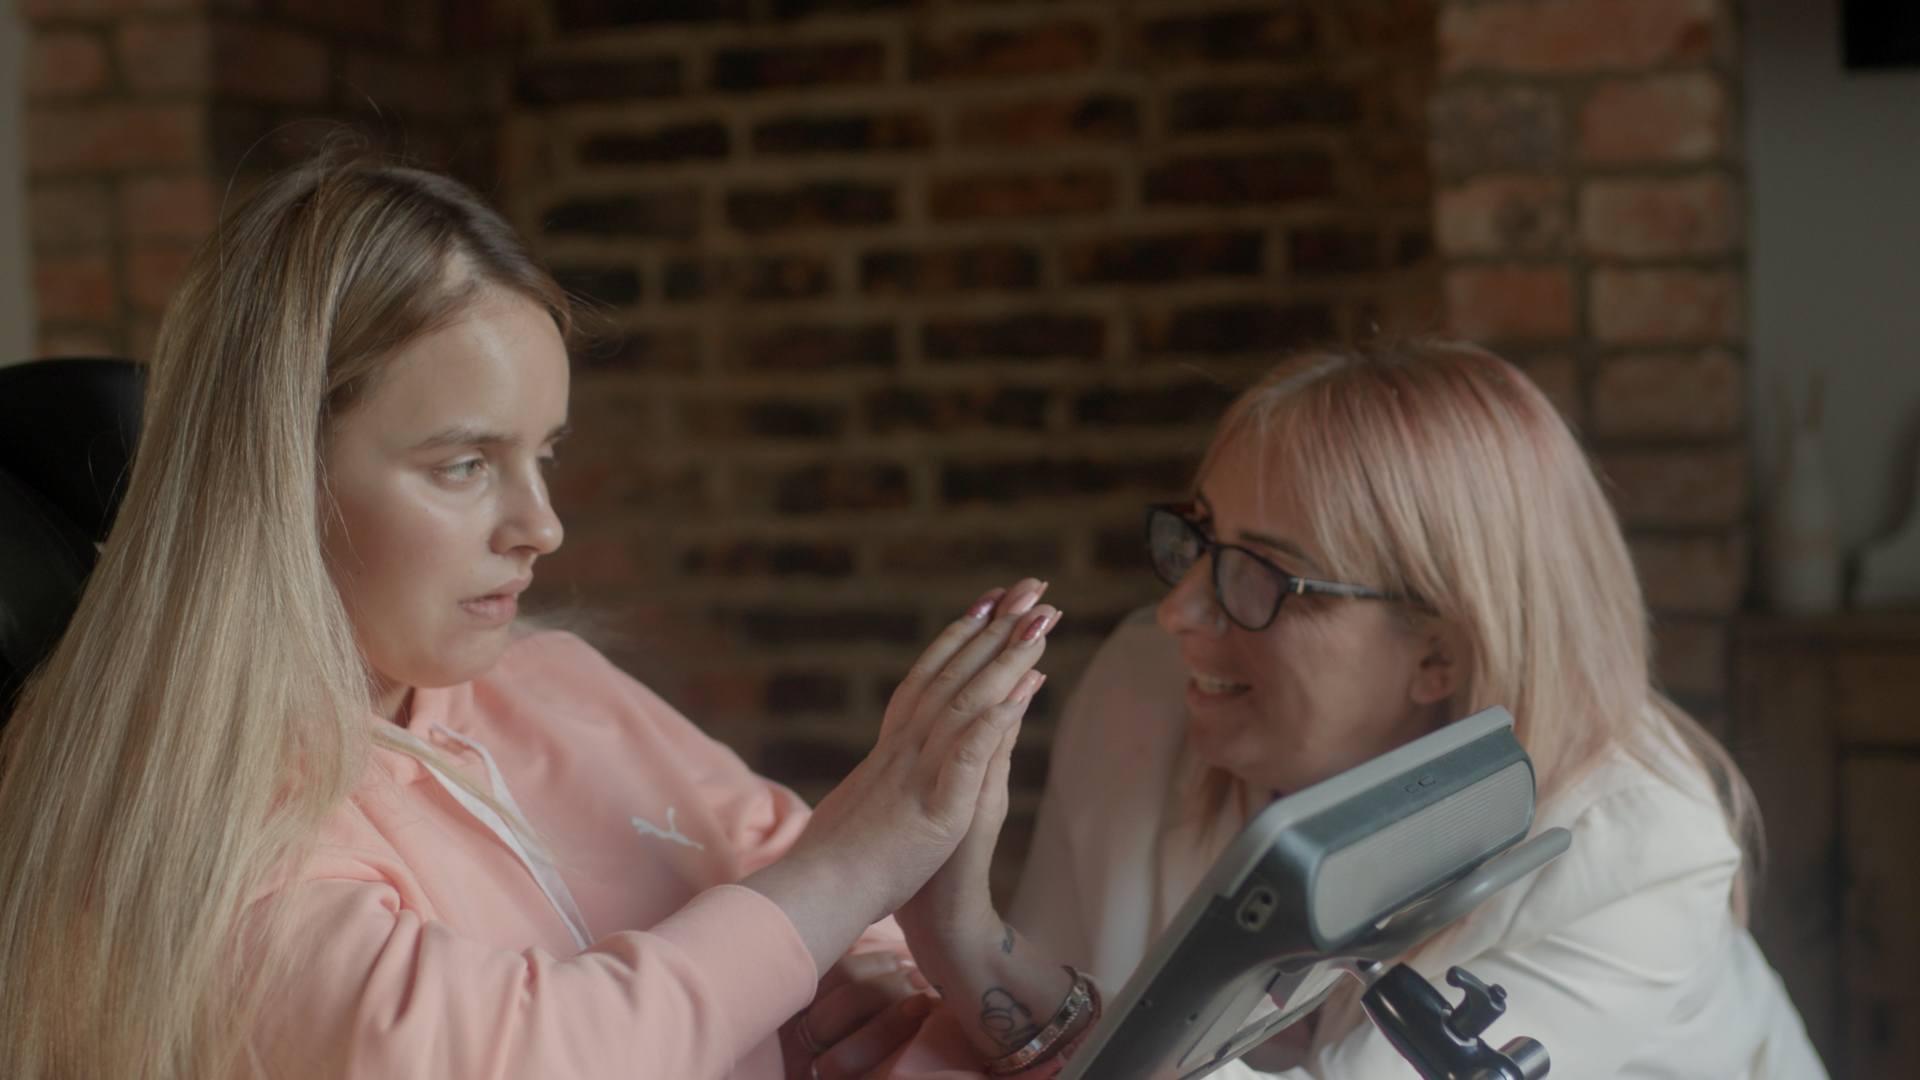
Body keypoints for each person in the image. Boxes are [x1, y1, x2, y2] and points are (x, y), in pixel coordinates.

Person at [0, 157, 1088, 1080]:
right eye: (464, 465)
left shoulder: (555, 683)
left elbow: (875, 979)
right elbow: (537, 1054)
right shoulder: (168, 813)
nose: (543, 526)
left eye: (545, 453)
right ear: (274, 478)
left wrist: (934, 947)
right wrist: (857, 863)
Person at [978, 341, 1830, 1077]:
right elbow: (1028, 1033)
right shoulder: (1146, 689)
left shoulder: (1638, 855)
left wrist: (962, 937)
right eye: (1199, 539)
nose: (1179, 613)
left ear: (1439, 652)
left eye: (1264, 576)